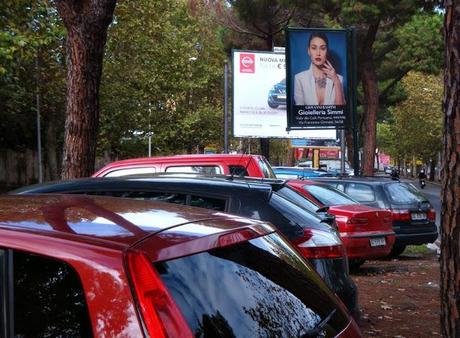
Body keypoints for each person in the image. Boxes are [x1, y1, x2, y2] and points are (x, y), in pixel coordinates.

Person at [294, 33, 345, 106]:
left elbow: (341, 112)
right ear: (309, 51)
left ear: (327, 51)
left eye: (323, 48)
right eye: (314, 48)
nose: (318, 53)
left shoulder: (339, 79)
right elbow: (299, 112)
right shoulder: (299, 79)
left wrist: (336, 81)